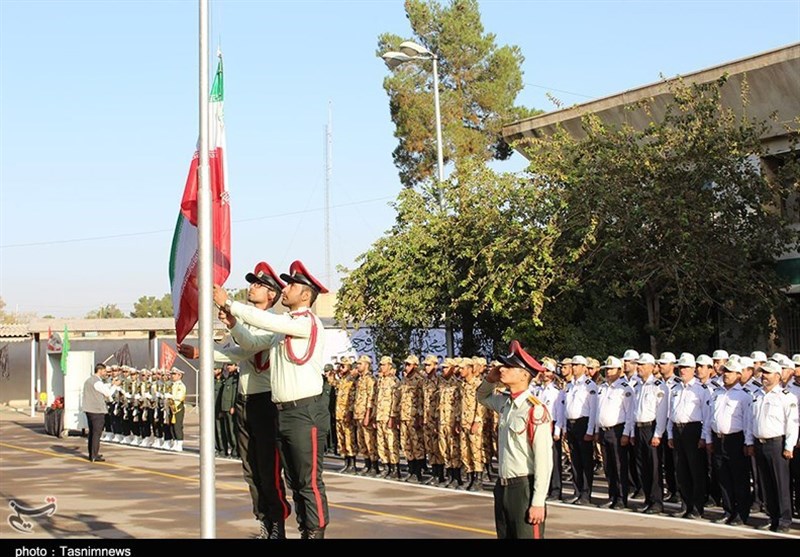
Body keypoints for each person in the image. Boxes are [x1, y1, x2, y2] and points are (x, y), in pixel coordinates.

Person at [215, 259, 330, 539]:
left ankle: (314, 533)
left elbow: (265, 321)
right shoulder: (284, 327)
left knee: (308, 481)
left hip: (306, 410)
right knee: (293, 478)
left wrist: (230, 304)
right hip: (286, 412)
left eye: (291, 284)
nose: (286, 288)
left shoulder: (307, 322)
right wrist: (233, 323)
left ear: (305, 295)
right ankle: (304, 529)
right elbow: (252, 345)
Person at [180, 261, 291, 539]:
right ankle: (263, 520)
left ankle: (277, 523)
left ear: (272, 295)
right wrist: (203, 351)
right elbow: (230, 349)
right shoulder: (243, 321)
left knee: (268, 469)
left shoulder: (275, 324)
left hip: (266, 402)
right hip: (245, 400)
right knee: (250, 469)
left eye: (259, 284)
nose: (252, 287)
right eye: (252, 282)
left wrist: (228, 323)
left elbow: (248, 348)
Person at [477, 341, 552, 539]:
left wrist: (538, 501)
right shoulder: (505, 402)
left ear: (524, 374)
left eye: (510, 367)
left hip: (523, 488)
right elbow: (482, 397)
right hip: (503, 487)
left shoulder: (534, 410)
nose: (503, 369)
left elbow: (544, 461)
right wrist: (490, 379)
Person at [747, 359, 798, 533]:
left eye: (768, 373)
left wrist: (789, 446)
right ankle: (773, 516)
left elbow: (792, 423)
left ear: (777, 375)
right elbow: (750, 421)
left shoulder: (786, 396)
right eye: (763, 372)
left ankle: (785, 519)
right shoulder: (757, 395)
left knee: (781, 483)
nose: (764, 376)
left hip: (777, 443)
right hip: (759, 443)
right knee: (766, 483)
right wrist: (749, 441)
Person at [705, 358, 752, 526]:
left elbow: (747, 422)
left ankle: (741, 512)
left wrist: (748, 443)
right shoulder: (717, 393)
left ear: (739, 375)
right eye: (725, 371)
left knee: (739, 478)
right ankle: (728, 510)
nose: (726, 374)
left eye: (730, 372)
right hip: (718, 439)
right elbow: (710, 418)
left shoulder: (744, 396)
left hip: (736, 440)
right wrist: (709, 438)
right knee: (723, 477)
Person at [666, 352, 711, 519]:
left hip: (693, 430)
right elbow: (671, 414)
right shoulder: (675, 389)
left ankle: (697, 507)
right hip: (678, 430)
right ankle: (685, 505)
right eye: (681, 368)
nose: (682, 370)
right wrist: (670, 434)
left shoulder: (701, 389)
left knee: (696, 471)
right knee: (681, 470)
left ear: (693, 369)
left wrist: (704, 437)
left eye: (686, 368)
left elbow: (707, 416)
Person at [594, 356, 635, 509]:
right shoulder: (603, 387)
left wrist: (626, 433)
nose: (608, 372)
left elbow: (630, 413)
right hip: (604, 431)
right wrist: (597, 430)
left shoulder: (624, 388)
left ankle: (621, 498)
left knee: (619, 466)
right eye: (606, 369)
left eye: (611, 369)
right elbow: (598, 411)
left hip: (617, 430)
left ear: (619, 370)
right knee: (608, 466)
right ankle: (612, 495)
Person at [633, 352, 669, 514]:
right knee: (642, 466)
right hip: (639, 428)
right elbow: (634, 410)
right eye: (638, 364)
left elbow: (661, 412)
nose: (638, 367)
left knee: (654, 467)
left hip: (651, 428)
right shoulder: (638, 386)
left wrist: (658, 433)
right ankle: (648, 498)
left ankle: (656, 501)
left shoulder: (658, 386)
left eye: (642, 365)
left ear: (651, 367)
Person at [563, 355, 598, 505]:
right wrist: (565, 427)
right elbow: (565, 408)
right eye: (573, 365)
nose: (574, 367)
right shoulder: (570, 385)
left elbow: (593, 409)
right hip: (571, 424)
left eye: (577, 365)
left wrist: (590, 430)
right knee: (575, 460)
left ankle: (585, 493)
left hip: (583, 423)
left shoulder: (589, 385)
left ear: (584, 368)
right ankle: (577, 491)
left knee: (585, 461)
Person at [81, 363, 120, 462]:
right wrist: (114, 386)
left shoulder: (89, 380)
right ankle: (94, 455)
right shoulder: (97, 382)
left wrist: (110, 384)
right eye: (104, 371)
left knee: (92, 432)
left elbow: (103, 387)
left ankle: (92, 453)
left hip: (89, 410)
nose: (106, 373)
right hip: (96, 410)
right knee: (96, 433)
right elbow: (108, 393)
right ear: (100, 370)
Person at [166, 368, 187, 452]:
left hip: (178, 407)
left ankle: (179, 443)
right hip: (171, 406)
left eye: (174, 374)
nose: (172, 376)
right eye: (172, 374)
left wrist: (171, 397)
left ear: (180, 375)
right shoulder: (171, 384)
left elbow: (181, 397)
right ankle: (174, 441)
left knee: (177, 426)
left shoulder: (181, 386)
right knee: (171, 426)